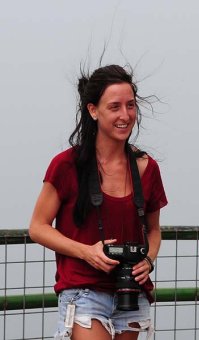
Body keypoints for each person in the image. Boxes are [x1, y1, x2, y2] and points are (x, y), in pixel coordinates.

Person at [29, 64, 168, 340]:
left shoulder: (146, 167)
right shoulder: (67, 165)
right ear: (93, 110)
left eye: (131, 106)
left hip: (131, 293)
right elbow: (37, 227)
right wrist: (86, 252)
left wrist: (148, 260)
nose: (125, 115)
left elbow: (153, 230)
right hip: (84, 291)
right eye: (114, 107)